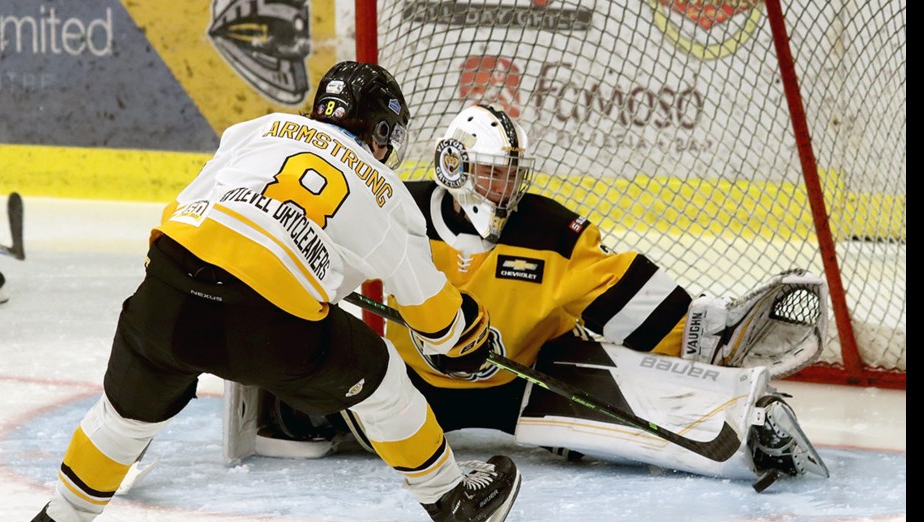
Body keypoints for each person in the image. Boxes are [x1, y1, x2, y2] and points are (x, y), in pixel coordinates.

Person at [0, 64, 523, 522]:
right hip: (269, 329)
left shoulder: (255, 130)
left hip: (169, 290)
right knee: (382, 375)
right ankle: (453, 504)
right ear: (382, 132)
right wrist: (465, 337)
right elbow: (433, 316)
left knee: (125, 416)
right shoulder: (384, 189)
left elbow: (185, 208)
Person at [234, 104, 829, 489]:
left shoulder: (547, 230)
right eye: (494, 172)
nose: (507, 186)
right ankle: (278, 406)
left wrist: (701, 335)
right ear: (455, 166)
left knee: (629, 414)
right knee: (302, 412)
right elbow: (312, 257)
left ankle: (747, 423)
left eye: (513, 172)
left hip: (524, 384)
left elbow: (615, 288)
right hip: (409, 389)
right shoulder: (396, 209)